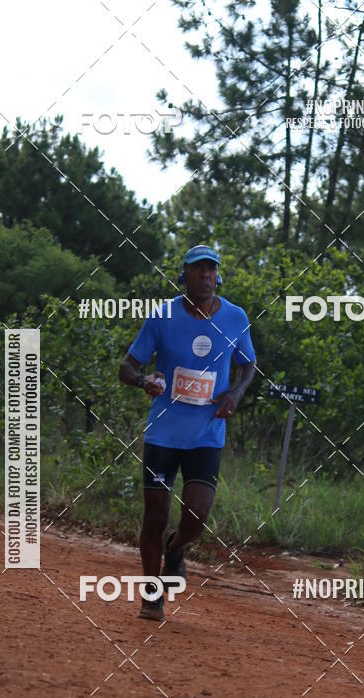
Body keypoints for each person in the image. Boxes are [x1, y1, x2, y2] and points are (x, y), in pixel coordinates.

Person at [118, 245, 256, 620]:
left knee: (197, 513)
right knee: (155, 516)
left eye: (212, 270)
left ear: (218, 276)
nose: (206, 276)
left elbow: (248, 365)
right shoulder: (162, 316)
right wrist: (145, 379)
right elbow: (127, 367)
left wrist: (236, 392)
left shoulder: (235, 317)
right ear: (185, 276)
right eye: (199, 270)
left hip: (206, 434)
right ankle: (151, 594)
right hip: (163, 435)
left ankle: (175, 548)